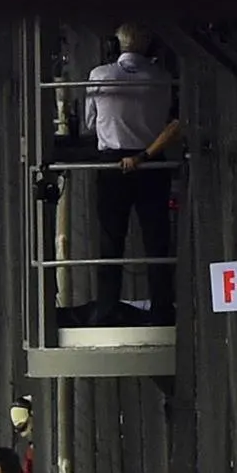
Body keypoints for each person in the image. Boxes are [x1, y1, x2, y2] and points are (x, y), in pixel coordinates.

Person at [81, 23, 183, 326]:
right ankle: (162, 308)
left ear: (117, 46)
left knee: (111, 237)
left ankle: (107, 306)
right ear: (149, 48)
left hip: (112, 164)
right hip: (151, 161)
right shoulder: (162, 77)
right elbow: (169, 117)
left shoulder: (99, 75)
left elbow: (89, 123)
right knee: (156, 239)